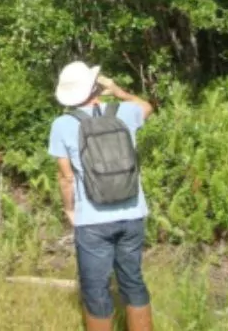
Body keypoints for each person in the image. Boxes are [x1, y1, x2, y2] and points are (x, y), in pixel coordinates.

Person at [48, 61, 155, 331]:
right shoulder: (125, 112)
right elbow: (148, 107)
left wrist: (69, 209)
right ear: (95, 86)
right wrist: (118, 91)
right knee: (133, 282)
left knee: (95, 289)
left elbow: (66, 177)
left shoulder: (62, 124)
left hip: (92, 220)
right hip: (132, 214)